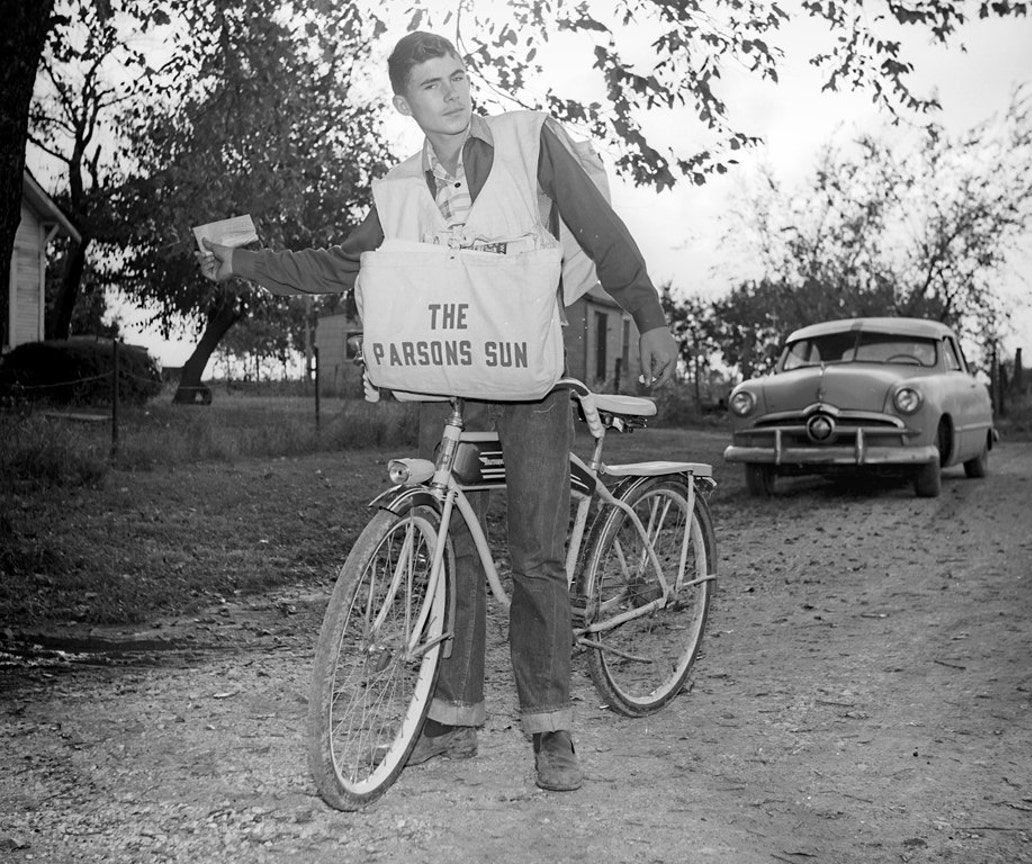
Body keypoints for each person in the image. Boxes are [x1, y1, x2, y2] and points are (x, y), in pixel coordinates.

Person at [199, 31, 678, 792]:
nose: (452, 94)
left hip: (531, 378)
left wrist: (648, 315)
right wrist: (244, 261)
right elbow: (340, 264)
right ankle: (453, 718)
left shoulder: (528, 141)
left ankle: (551, 728)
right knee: (450, 544)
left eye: (458, 77)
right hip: (449, 380)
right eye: (431, 85)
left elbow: (601, 233)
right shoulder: (397, 190)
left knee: (535, 554)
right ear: (403, 103)